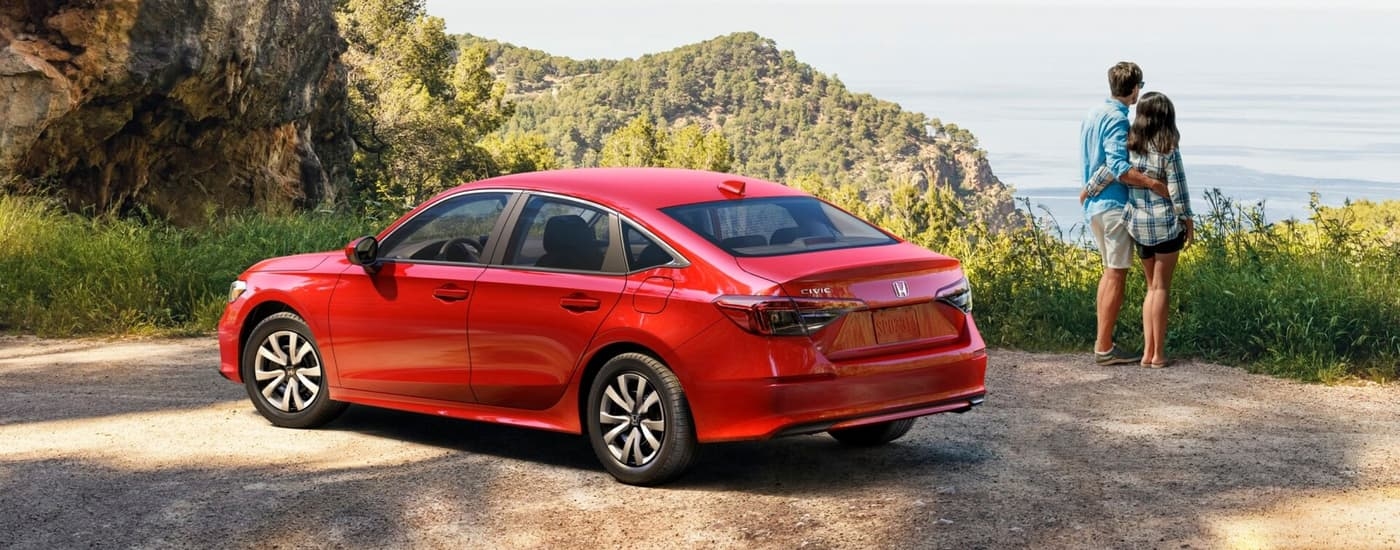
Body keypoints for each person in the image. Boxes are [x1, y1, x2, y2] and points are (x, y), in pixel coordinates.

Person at [1084, 91, 1194, 368]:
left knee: (1149, 289)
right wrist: (1188, 222)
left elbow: (1111, 170)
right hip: (1166, 226)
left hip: (1139, 227)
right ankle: (1158, 355)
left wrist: (1088, 191)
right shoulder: (1168, 149)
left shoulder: (1131, 147)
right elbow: (1178, 191)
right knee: (1161, 289)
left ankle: (1146, 354)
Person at [1079, 61, 1170, 366]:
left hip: (1096, 205)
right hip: (1114, 206)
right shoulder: (1118, 120)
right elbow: (1119, 168)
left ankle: (1103, 342)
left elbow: (1101, 163)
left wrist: (1089, 190)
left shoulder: (1093, 114)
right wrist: (1153, 183)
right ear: (1134, 88)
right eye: (1139, 88)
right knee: (1116, 273)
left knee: (1109, 272)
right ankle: (1104, 347)